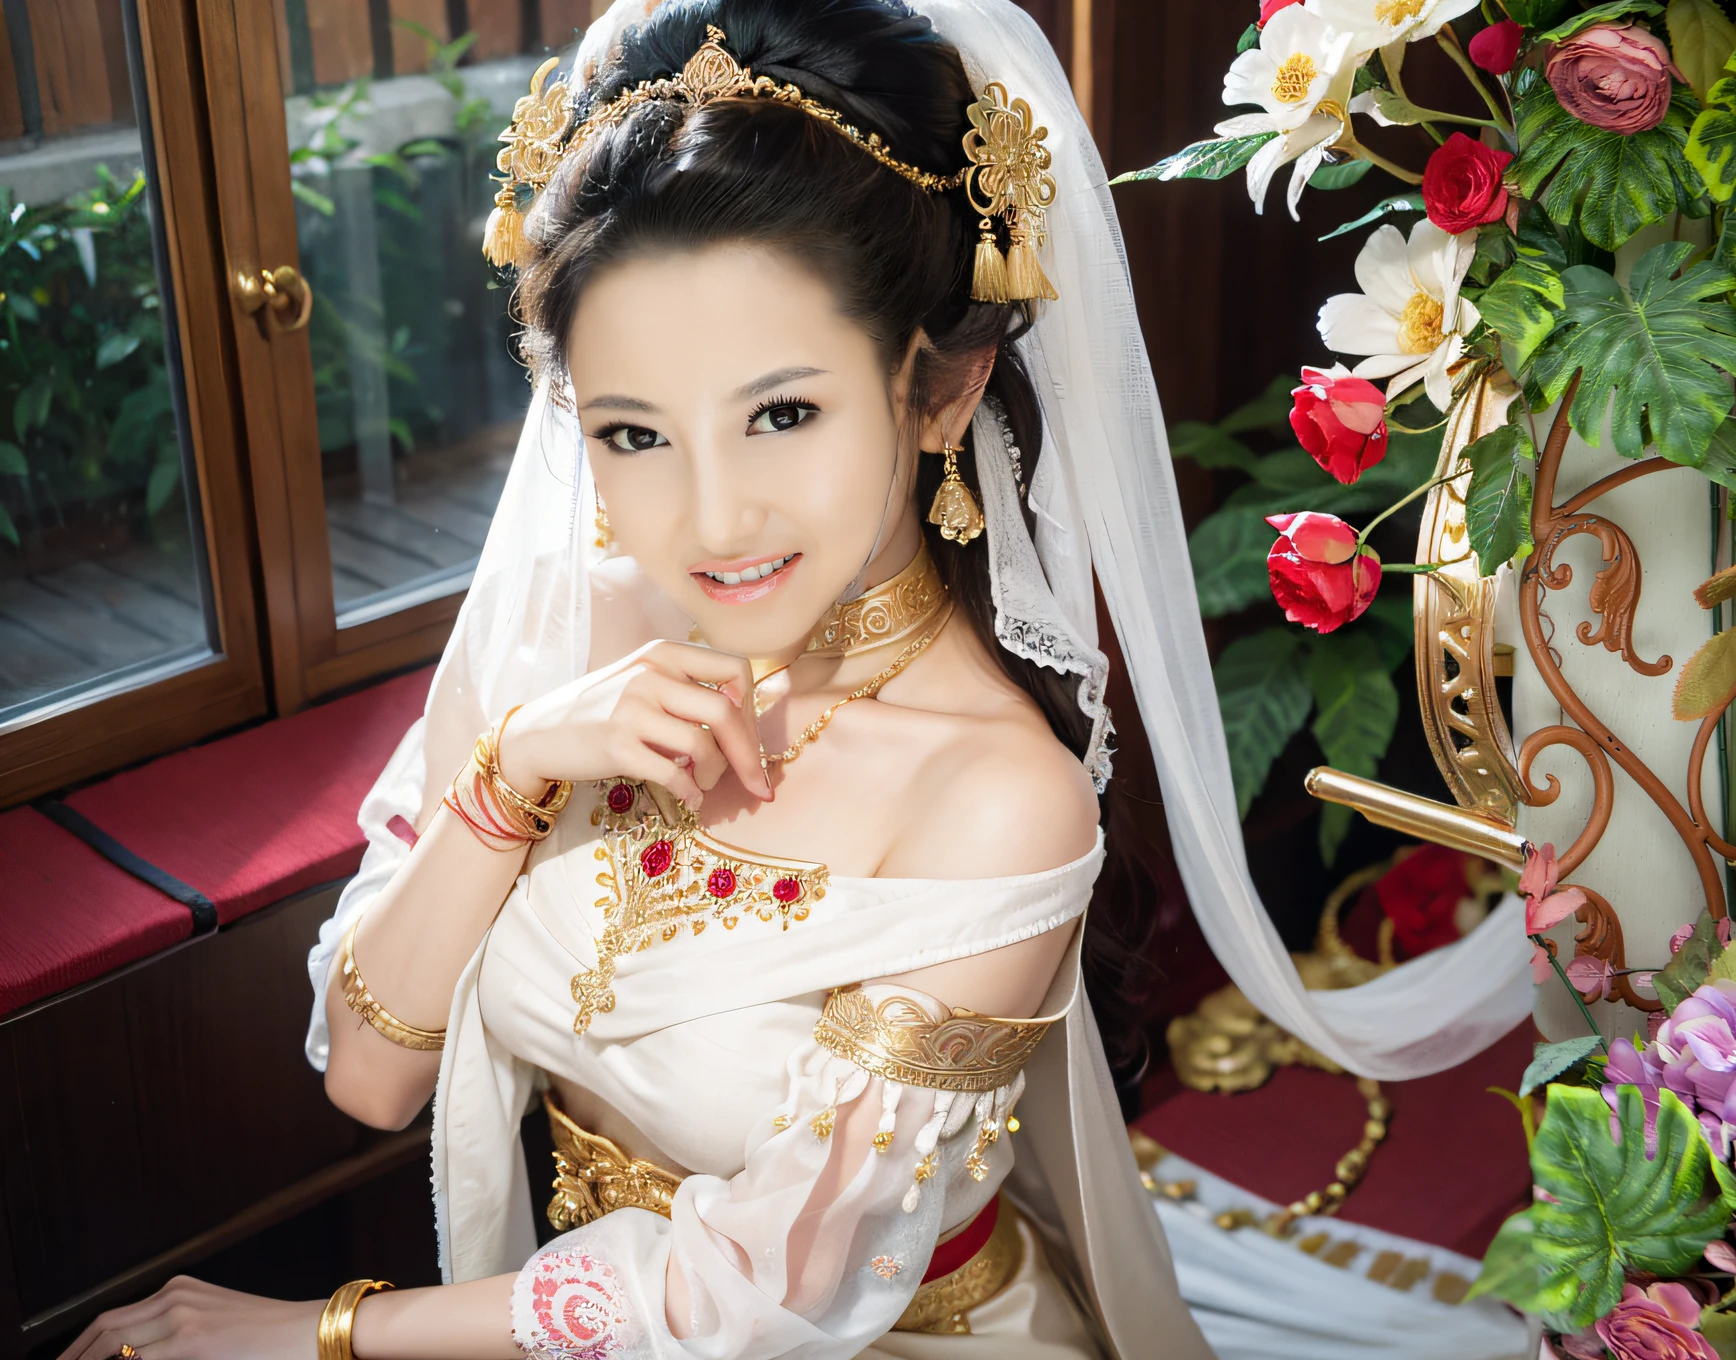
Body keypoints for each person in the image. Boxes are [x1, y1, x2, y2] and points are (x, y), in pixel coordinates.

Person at [56, 2, 1536, 1357]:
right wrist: (508, 777)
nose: (711, 520)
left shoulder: (995, 800)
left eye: (782, 412)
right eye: (634, 432)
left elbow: (763, 1291)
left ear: (940, 385)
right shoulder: (565, 637)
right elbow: (371, 1076)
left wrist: (321, 1330)